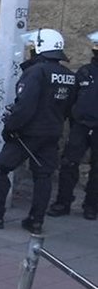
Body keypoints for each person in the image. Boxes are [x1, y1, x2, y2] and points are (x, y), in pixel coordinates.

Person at [0, 29, 76, 234]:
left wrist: (10, 128)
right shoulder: (69, 76)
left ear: (40, 47)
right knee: (43, 176)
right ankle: (36, 221)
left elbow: (24, 106)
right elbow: (69, 107)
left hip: (27, 135)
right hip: (52, 132)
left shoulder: (36, 72)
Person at [48, 31, 98, 220]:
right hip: (81, 126)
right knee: (69, 163)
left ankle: (92, 205)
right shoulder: (85, 71)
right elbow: (72, 99)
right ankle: (63, 202)